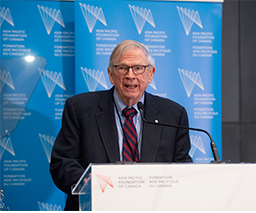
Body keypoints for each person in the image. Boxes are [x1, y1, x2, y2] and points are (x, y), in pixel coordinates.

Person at [50, 39, 193, 211]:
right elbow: (63, 162)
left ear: (151, 74)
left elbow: (182, 169)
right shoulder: (80, 109)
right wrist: (86, 184)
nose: (130, 75)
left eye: (138, 68)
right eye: (122, 68)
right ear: (110, 74)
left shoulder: (174, 115)